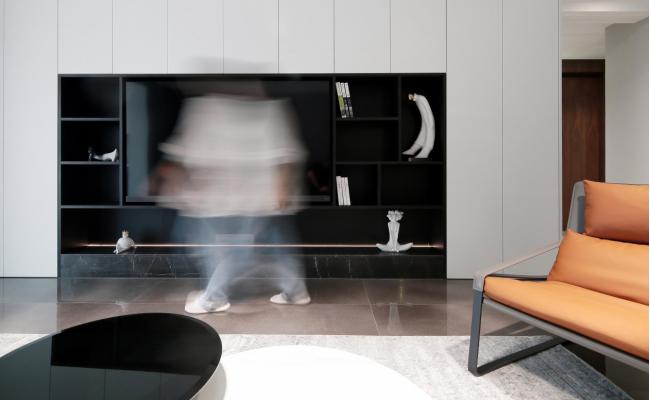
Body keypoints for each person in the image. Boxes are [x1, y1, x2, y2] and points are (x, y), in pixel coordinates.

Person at [151, 86, 311, 314]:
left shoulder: (208, 107)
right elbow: (286, 149)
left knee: (233, 248)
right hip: (253, 195)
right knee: (273, 243)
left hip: (236, 197)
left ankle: (213, 298)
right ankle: (295, 291)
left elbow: (185, 150)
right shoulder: (264, 108)